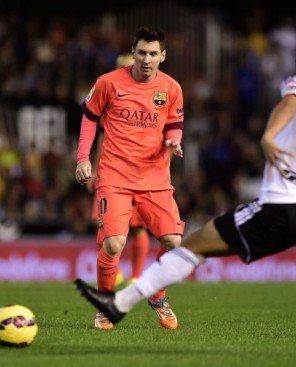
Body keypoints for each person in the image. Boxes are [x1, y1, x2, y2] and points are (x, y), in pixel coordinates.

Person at [74, 40, 296, 357]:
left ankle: (120, 303)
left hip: (279, 207)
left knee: (193, 244)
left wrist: (270, 136)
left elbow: (291, 102)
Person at [75, 26, 185, 330]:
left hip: (155, 177)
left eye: (153, 54)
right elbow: (89, 118)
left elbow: (174, 123)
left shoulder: (172, 88)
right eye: (142, 53)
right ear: (132, 53)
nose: (147, 59)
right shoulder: (108, 83)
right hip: (115, 176)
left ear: (163, 56)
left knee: (173, 241)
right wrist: (83, 159)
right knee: (114, 244)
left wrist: (174, 140)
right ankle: (105, 304)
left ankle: (157, 294)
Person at [86, 53, 151, 292]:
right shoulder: (111, 96)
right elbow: (102, 136)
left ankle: (135, 275)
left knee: (139, 227)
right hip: (112, 170)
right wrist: (94, 166)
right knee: (105, 224)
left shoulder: (150, 100)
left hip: (140, 172)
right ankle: (119, 272)